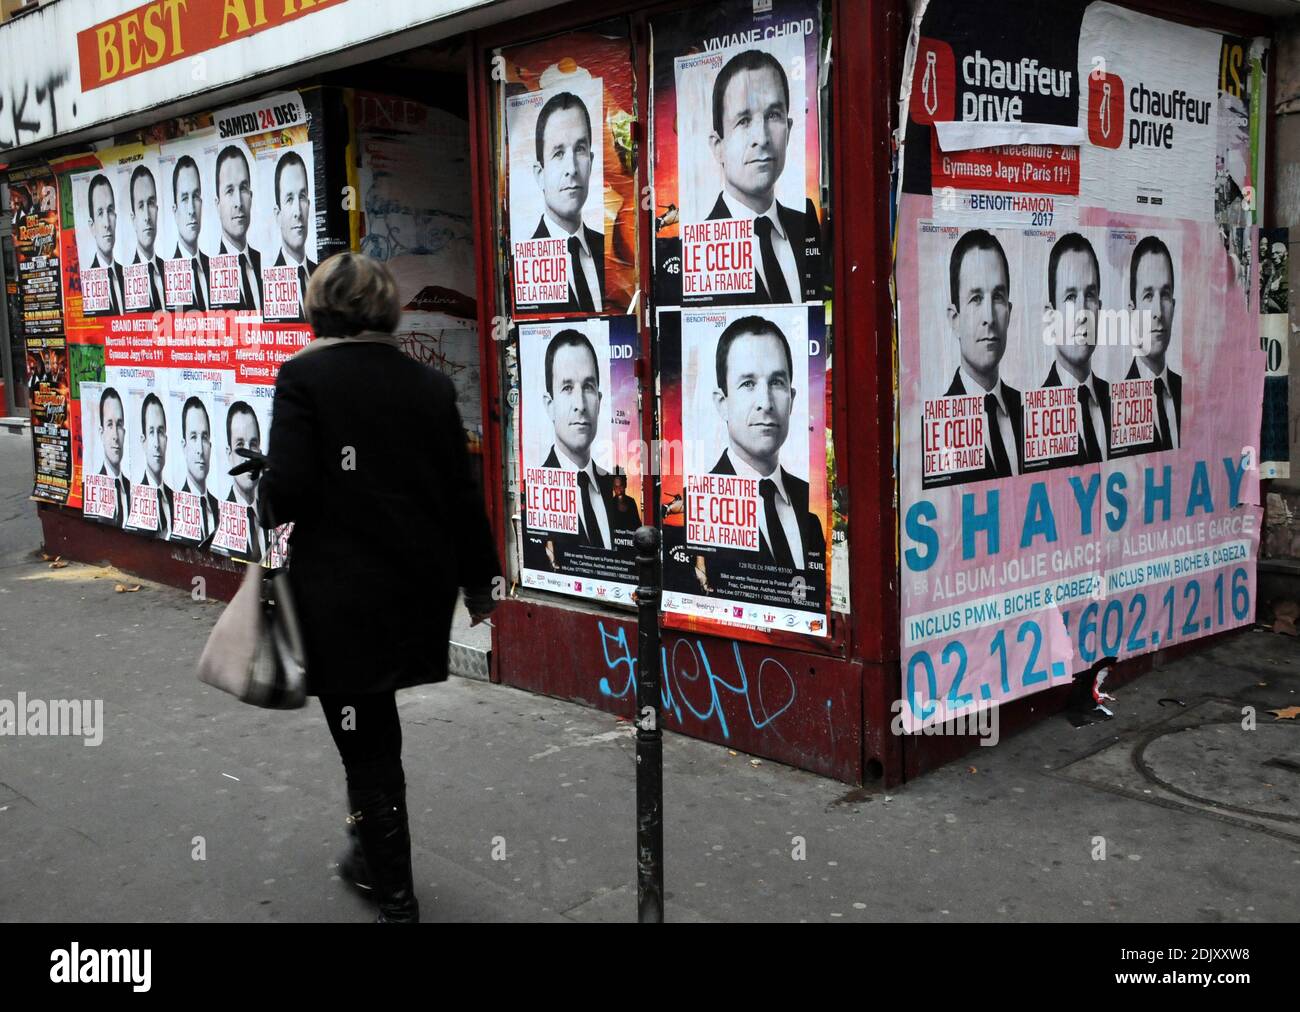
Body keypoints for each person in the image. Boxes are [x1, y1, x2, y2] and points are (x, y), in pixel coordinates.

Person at [259, 252, 501, 923]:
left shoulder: (304, 375)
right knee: (371, 731)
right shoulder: (428, 386)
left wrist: (262, 488)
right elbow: (462, 497)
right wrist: (481, 587)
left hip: (342, 600)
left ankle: (394, 894)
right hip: (416, 594)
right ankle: (369, 852)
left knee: (365, 743)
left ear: (323, 306)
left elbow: (290, 490)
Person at [710, 315, 823, 572]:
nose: (766, 402)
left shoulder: (811, 506)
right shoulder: (699, 503)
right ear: (722, 403)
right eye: (748, 384)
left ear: (791, 399)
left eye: (776, 382)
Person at [706, 49, 818, 305]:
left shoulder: (807, 224)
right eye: (744, 121)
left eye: (773, 115)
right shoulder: (696, 247)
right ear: (718, 146)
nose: (763, 138)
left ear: (788, 131)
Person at [538, 329, 640, 551]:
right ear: (550, 405)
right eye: (567, 388)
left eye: (588, 387)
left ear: (599, 401)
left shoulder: (610, 485)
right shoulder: (540, 488)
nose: (581, 404)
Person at [937, 228, 1023, 481]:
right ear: (955, 319)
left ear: (1009, 311)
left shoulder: (1029, 412)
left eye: (997, 297)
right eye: (975, 298)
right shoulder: (934, 426)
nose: (989, 317)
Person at [530, 92, 604, 313]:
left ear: (590, 163)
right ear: (540, 173)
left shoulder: (608, 252)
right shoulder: (523, 264)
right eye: (558, 153)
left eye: (580, 149)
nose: (572, 169)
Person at [1041, 233, 1110, 465]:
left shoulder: (1117, 401)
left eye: (1089, 295)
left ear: (1099, 308)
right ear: (1051, 315)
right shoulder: (1031, 414)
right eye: (1070, 297)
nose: (1082, 313)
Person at [1126, 235, 1181, 452]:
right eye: (1148, 296)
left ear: (1173, 306)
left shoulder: (1187, 392)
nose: (1158, 312)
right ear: (1132, 311)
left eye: (1165, 295)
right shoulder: (1113, 401)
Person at [214, 145, 263, 311]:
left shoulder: (265, 263)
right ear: (217, 204)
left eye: (243, 188)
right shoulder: (209, 271)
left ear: (251, 196)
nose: (238, 203)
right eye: (229, 190)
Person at [271, 150, 317, 322]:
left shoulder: (321, 275)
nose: (298, 211)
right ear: (278, 214)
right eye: (289, 199)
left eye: (302, 197)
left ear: (309, 205)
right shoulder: (267, 281)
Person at [222, 401, 264, 563]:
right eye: (240, 445)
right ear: (229, 454)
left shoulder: (270, 511)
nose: (248, 455)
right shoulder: (219, 518)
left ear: (259, 451)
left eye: (253, 445)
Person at [171, 155, 211, 310]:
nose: (192, 211)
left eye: (195, 196)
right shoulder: (166, 272)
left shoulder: (213, 268)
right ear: (175, 210)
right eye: (184, 199)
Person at [179, 396, 220, 542]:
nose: (200, 450)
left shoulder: (219, 508)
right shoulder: (174, 506)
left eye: (204, 437)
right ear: (184, 445)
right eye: (193, 437)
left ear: (210, 444)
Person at [85, 174, 124, 316]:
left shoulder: (127, 275)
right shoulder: (87, 284)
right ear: (92, 226)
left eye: (110, 211)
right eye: (100, 213)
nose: (107, 224)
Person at [136, 393, 174, 538]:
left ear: (166, 438)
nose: (157, 444)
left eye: (160, 432)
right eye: (151, 432)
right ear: (143, 441)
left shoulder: (175, 497)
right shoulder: (136, 497)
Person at [127, 165, 165, 312]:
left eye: (150, 203)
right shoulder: (125, 279)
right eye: (141, 206)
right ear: (133, 218)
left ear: (157, 209)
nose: (147, 217)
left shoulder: (169, 270)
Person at [97, 387, 130, 528]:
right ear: (101, 433)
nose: (116, 436)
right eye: (110, 425)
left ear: (124, 431)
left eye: (119, 424)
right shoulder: (93, 487)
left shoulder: (133, 489)